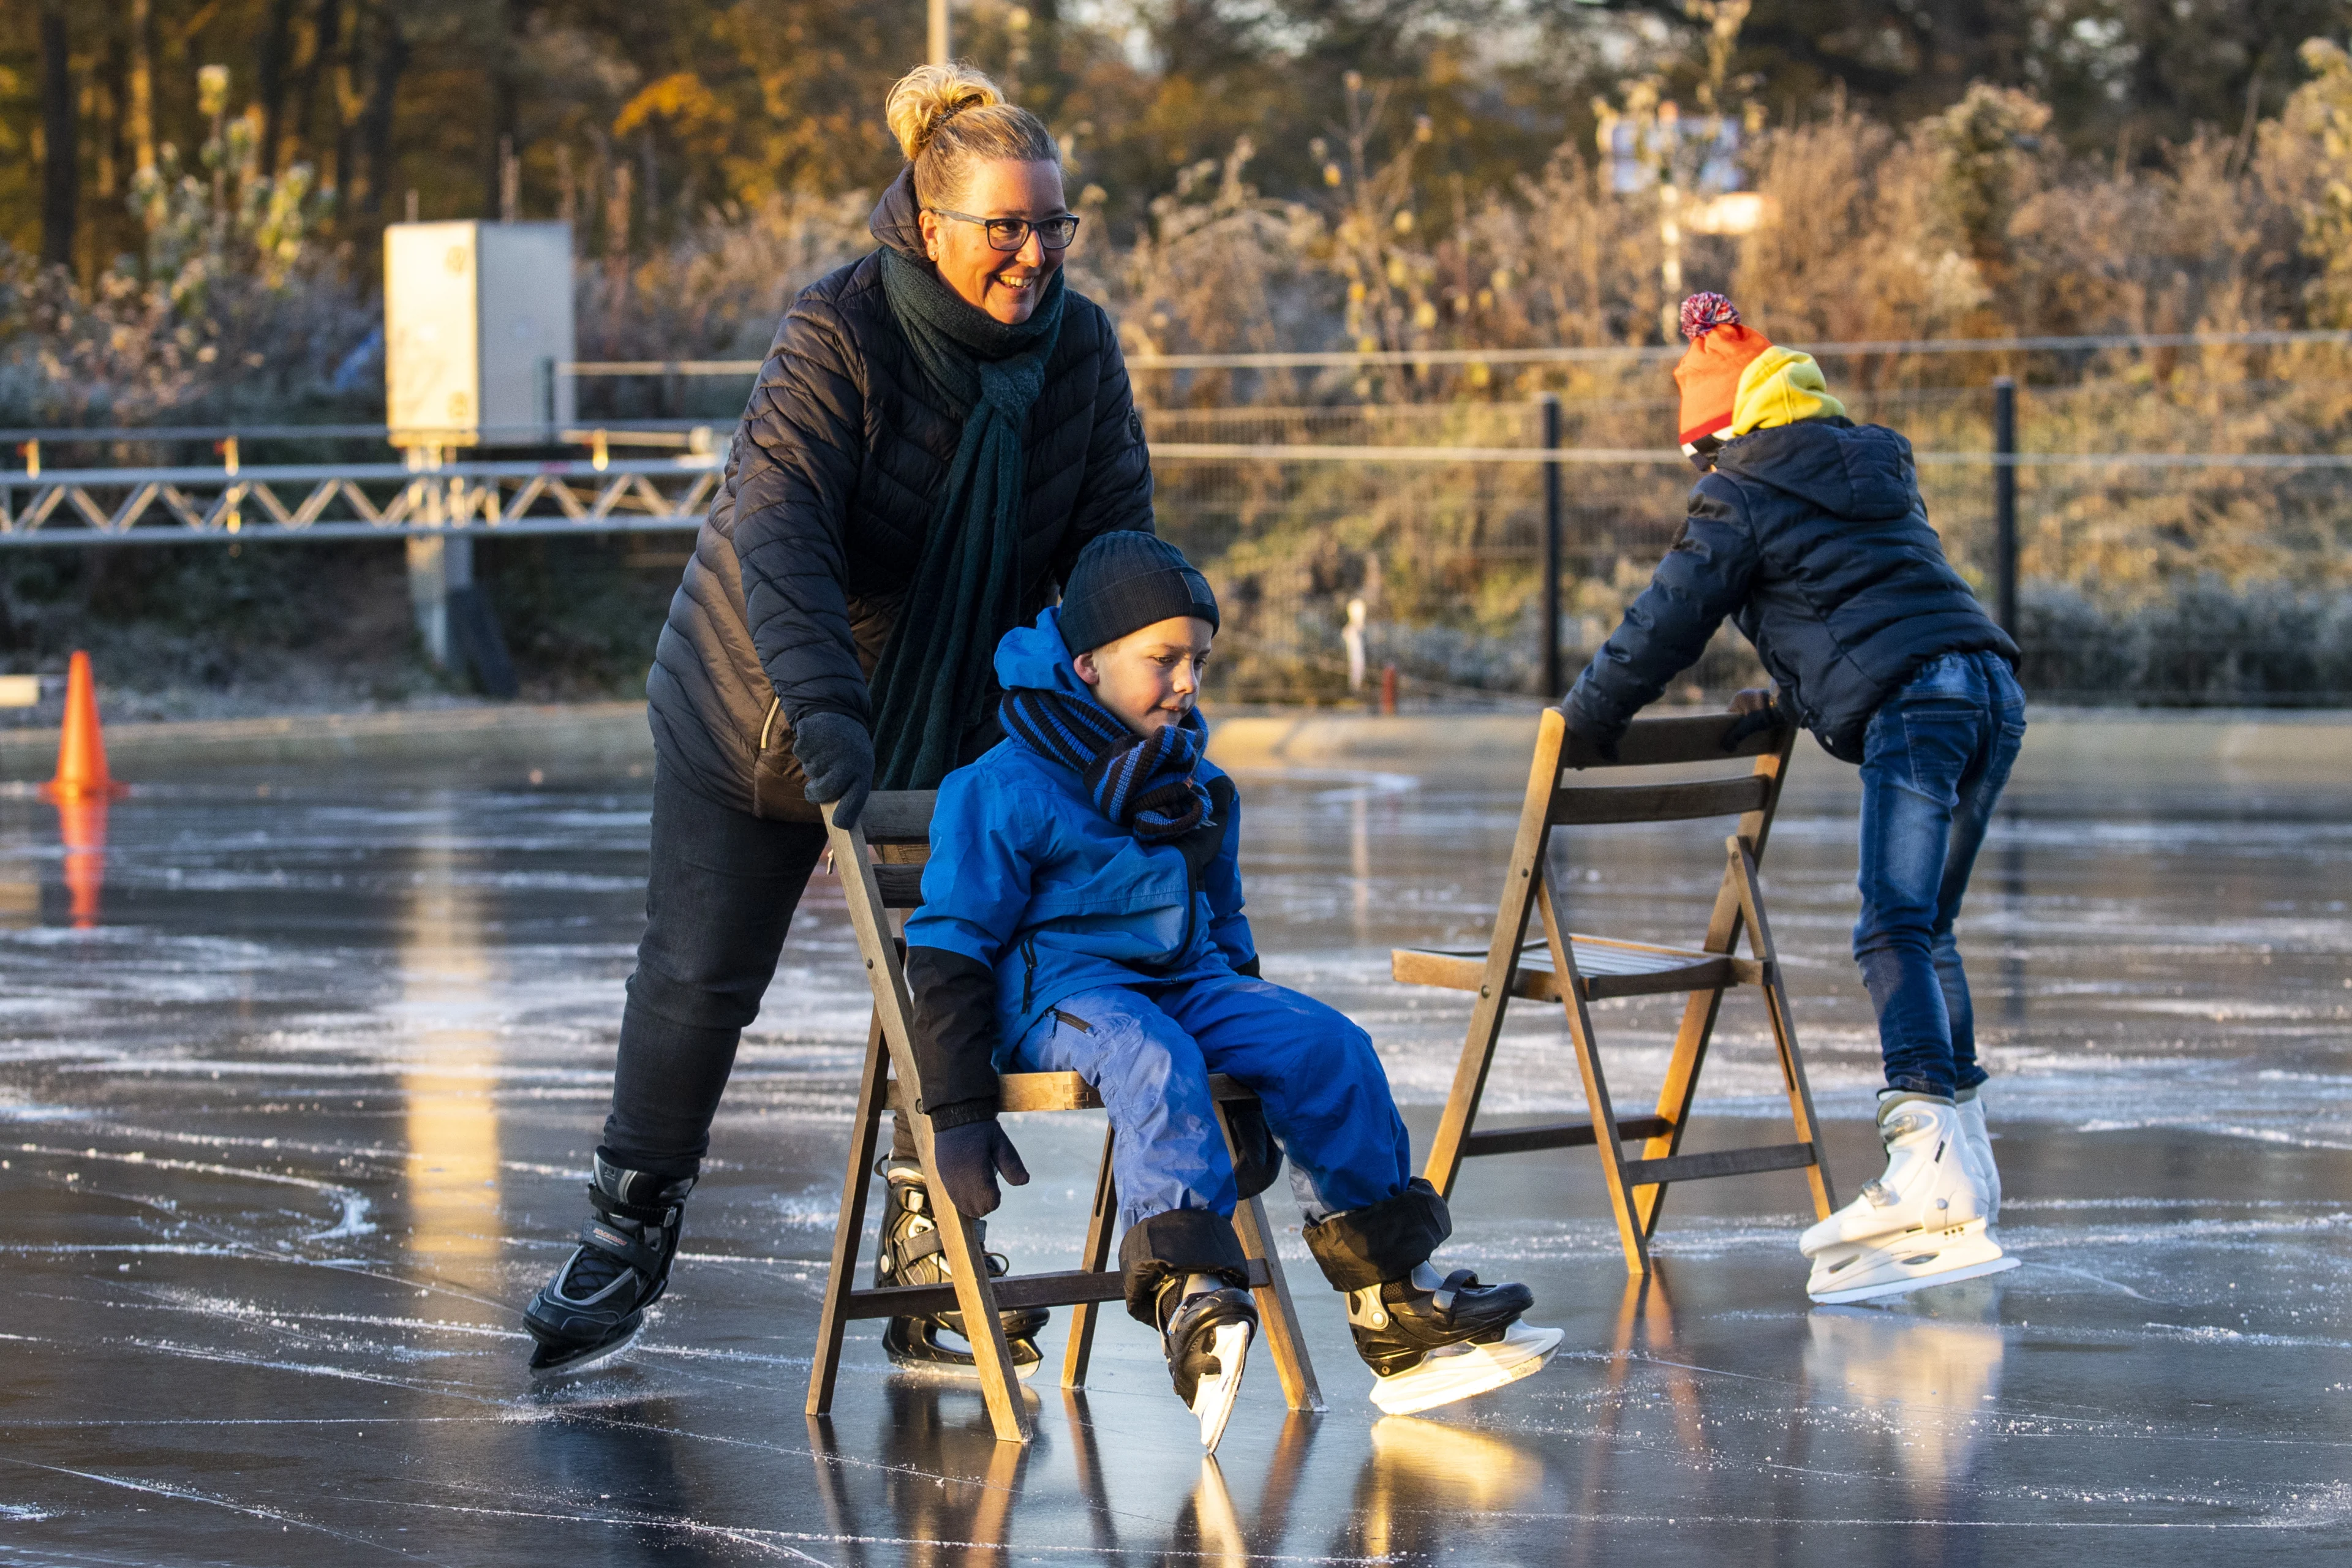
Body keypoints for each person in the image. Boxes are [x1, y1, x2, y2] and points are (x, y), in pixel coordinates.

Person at [524, 62, 1156, 1378]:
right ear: (932, 226)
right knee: (702, 973)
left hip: (959, 713)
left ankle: (931, 1246)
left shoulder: (1080, 352)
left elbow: (1109, 548)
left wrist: (1141, 674)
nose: (1034, 254)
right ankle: (628, 1224)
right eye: (1006, 227)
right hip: (758, 705)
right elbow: (782, 535)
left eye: (1053, 225)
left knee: (955, 962)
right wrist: (831, 728)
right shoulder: (840, 332)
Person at [903, 532, 1562, 1450]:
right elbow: (949, 944)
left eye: (1198, 662)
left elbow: (1224, 918)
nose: (1186, 684)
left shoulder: (1194, 783)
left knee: (1326, 1047)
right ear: (1086, 662)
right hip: (1060, 998)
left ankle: (1391, 1305)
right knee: (1152, 1056)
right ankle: (1188, 1290)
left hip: (1187, 981)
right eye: (1162, 660)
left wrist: (1256, 1052)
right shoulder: (1003, 785)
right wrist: (957, 1105)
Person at [1561, 292, 2026, 1305]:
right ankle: (1966, 1167)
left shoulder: (1745, 490)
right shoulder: (1865, 461)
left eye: (1701, 456)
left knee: (1891, 929)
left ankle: (1925, 1166)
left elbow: (1668, 619)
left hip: (1918, 704)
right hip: (1987, 690)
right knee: (1928, 927)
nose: (1702, 476)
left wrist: (1585, 719)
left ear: (1728, 432)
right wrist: (1791, 692)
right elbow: (1862, 596)